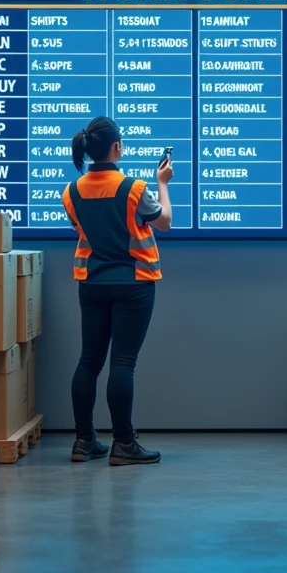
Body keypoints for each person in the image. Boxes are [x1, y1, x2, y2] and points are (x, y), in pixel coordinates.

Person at [62, 116, 173, 466]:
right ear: (117, 147)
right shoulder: (135, 188)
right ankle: (123, 444)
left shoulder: (72, 191)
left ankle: (83, 441)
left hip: (91, 283)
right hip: (134, 283)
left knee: (89, 361)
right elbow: (165, 222)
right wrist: (163, 183)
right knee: (123, 363)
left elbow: (82, 228)